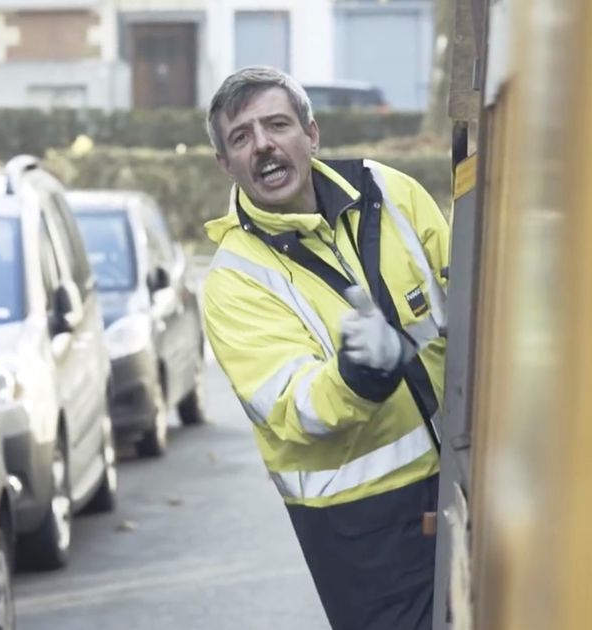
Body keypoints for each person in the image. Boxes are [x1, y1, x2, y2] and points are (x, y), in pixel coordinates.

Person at [201, 66, 451, 630]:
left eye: (277, 125)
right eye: (241, 136)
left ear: (311, 135)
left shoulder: (388, 192)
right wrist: (359, 374)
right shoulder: (234, 281)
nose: (263, 144)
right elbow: (295, 407)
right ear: (226, 164)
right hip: (364, 533)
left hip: (468, 480)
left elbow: (464, 301)